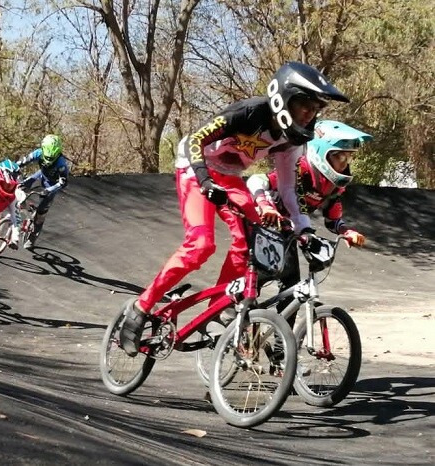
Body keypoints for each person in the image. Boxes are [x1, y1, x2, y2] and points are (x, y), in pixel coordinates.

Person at [118, 61, 350, 356]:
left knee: (253, 241)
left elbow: (288, 191)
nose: (310, 115)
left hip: (230, 178)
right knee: (200, 246)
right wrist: (203, 180)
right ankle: (141, 307)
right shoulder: (249, 112)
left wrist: (304, 229)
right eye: (305, 106)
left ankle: (217, 312)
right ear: (284, 98)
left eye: (316, 110)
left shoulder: (291, 142)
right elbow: (196, 140)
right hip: (195, 168)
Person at [247, 119, 373, 314]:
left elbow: (332, 219)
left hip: (289, 232)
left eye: (348, 159)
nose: (344, 164)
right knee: (259, 278)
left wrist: (347, 231)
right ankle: (237, 317)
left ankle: (283, 342)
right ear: (321, 152)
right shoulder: (298, 167)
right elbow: (257, 180)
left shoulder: (334, 185)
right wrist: (265, 205)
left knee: (292, 287)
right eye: (340, 157)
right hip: (261, 226)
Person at [16, 134, 69, 249]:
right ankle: (27, 209)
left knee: (41, 213)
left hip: (52, 184)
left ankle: (33, 235)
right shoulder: (39, 152)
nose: (49, 161)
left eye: (51, 158)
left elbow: (63, 182)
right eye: (47, 157)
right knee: (20, 187)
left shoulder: (61, 164)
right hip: (40, 176)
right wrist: (13, 168)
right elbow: (24, 161)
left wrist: (49, 190)